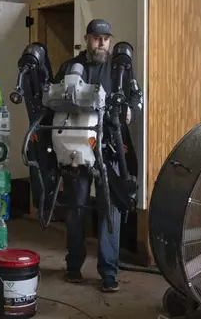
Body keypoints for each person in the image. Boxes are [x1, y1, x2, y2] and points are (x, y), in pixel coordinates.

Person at [53, 19, 143, 293]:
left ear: (110, 40)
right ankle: (73, 265)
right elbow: (54, 100)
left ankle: (108, 272)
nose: (101, 43)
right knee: (76, 208)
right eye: (95, 38)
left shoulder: (120, 68)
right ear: (87, 39)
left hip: (111, 147)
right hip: (77, 145)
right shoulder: (70, 68)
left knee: (110, 208)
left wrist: (130, 111)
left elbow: (136, 97)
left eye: (105, 38)